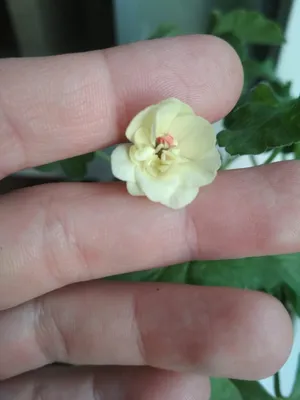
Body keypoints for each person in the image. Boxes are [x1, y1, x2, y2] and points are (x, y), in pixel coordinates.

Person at [0, 35, 295, 399]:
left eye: (165, 146)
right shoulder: (148, 140)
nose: (164, 147)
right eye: (163, 145)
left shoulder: (186, 154)